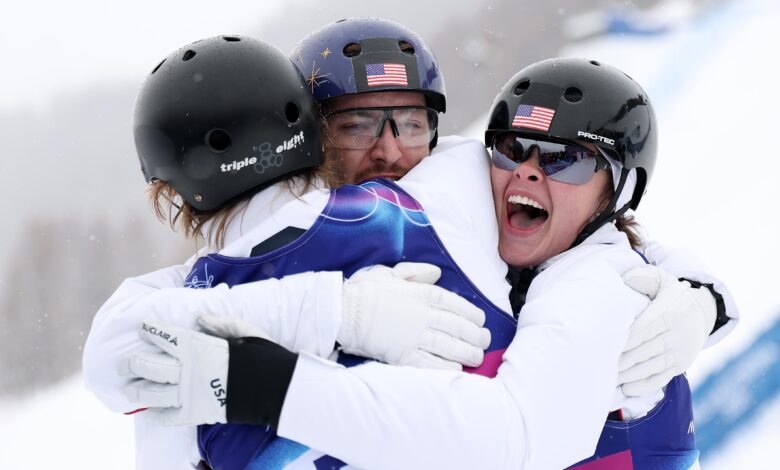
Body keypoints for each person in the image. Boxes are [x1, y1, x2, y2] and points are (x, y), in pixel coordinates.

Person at [83, 18, 736, 468]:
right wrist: (331, 310)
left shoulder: (465, 185)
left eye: (413, 121)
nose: (391, 148)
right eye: (358, 123)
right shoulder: (290, 239)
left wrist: (701, 296)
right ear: (309, 136)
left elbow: (604, 238)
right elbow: (120, 348)